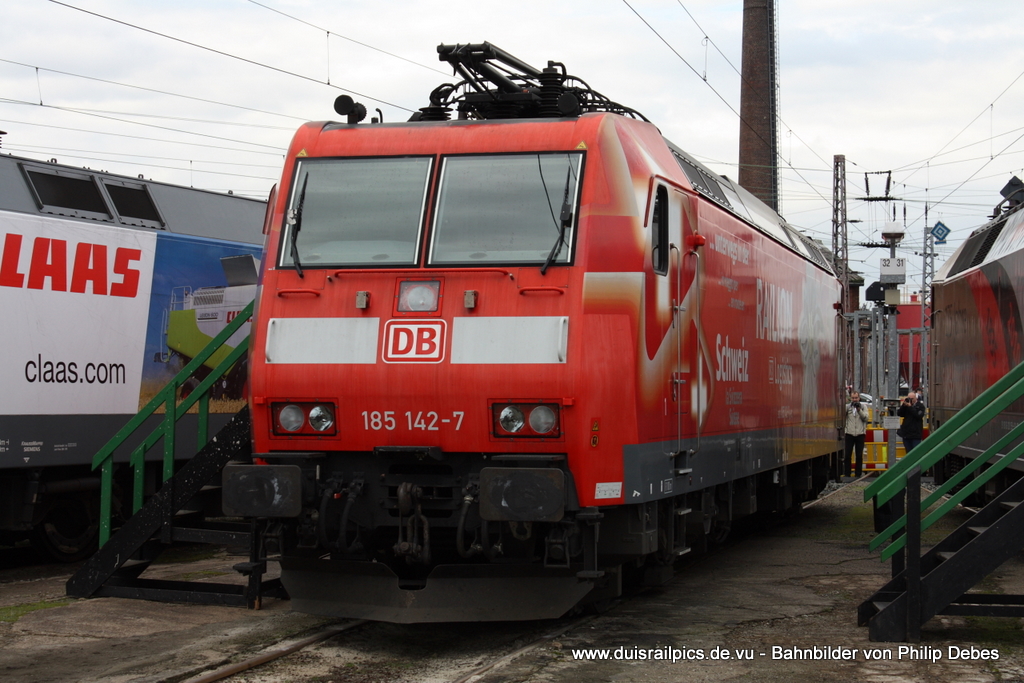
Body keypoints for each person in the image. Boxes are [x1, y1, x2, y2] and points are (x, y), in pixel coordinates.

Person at [845, 391, 869, 477]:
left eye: (856, 398)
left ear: (859, 398)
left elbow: (866, 418)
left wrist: (859, 410)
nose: (854, 400)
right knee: (847, 455)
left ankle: (858, 474)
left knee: (859, 455)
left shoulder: (863, 407)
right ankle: (847, 473)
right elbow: (843, 417)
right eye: (853, 398)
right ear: (851, 398)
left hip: (860, 434)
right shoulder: (848, 407)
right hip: (849, 433)